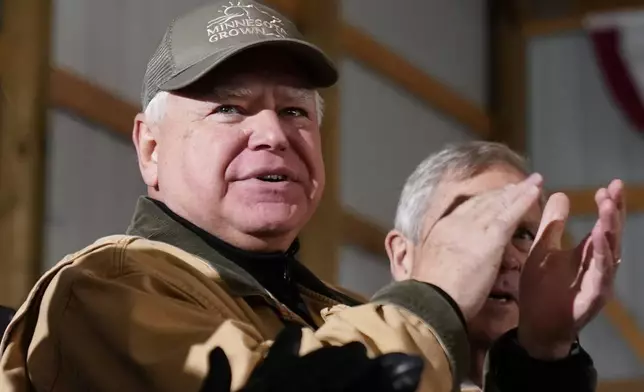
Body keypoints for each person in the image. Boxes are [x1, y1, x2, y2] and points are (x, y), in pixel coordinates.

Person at [0, 1, 613, 391]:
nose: (273, 134)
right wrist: (435, 296)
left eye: (295, 110)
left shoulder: (341, 317)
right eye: (228, 108)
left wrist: (543, 351)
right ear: (151, 149)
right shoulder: (102, 293)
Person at [386, 141, 625, 390]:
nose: (508, 258)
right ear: (403, 256)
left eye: (522, 235)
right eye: (480, 227)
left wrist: (546, 355)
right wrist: (427, 308)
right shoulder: (346, 349)